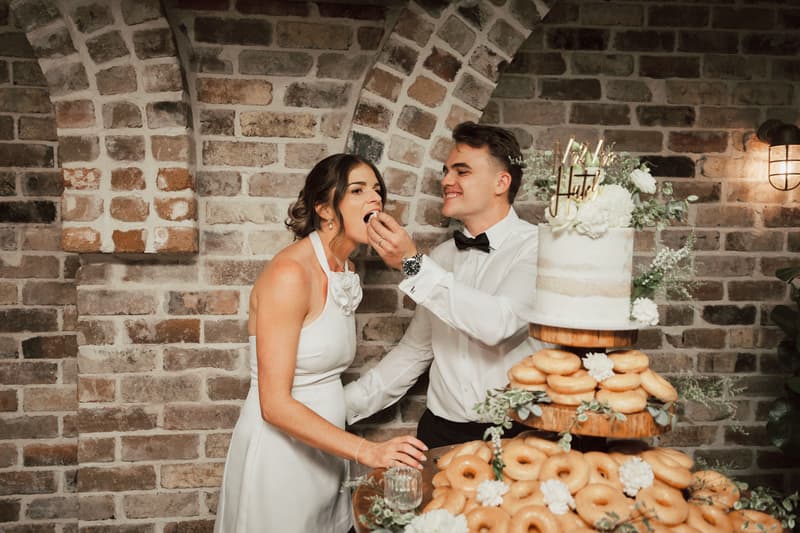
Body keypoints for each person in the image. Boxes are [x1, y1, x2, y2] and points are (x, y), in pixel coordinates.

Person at [214, 154, 428, 533]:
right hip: (281, 456)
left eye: (377, 190)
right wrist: (368, 450)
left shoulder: (345, 267)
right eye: (358, 190)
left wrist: (410, 262)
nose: (375, 200)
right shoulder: (290, 274)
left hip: (326, 453)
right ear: (325, 209)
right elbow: (274, 405)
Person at [344, 122, 545, 449]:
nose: (446, 180)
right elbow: (415, 352)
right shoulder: (442, 256)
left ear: (501, 182)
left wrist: (411, 263)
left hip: (519, 434)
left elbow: (499, 323)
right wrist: (338, 408)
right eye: (446, 171)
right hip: (440, 432)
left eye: (461, 171)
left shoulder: (538, 247)